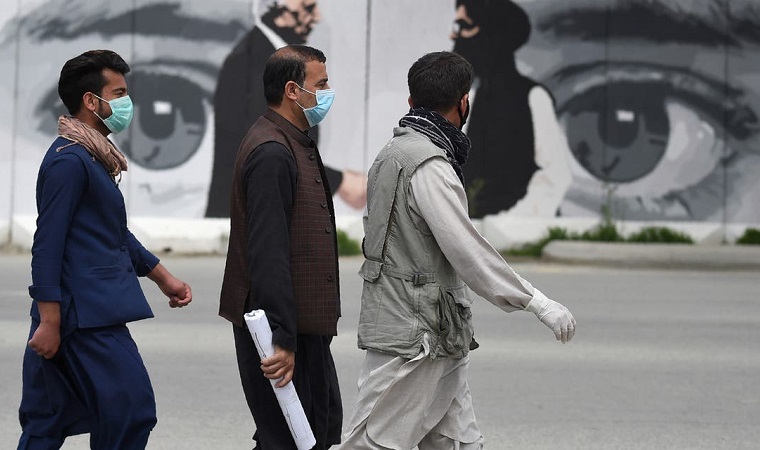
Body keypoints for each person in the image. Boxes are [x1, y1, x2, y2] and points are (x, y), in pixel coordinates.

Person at [340, 51, 576, 449]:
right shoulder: (428, 164)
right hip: (415, 336)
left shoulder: (393, 153)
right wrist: (536, 301)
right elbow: (466, 250)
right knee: (372, 443)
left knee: (457, 442)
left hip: (436, 331)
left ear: (411, 101)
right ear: (464, 102)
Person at [18, 50, 193, 449]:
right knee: (132, 411)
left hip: (81, 310)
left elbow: (109, 232)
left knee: (49, 420)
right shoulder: (69, 162)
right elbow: (47, 244)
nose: (127, 102)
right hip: (83, 317)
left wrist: (161, 277)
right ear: (91, 101)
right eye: (119, 93)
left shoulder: (92, 157)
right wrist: (49, 320)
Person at [218, 44, 342, 449]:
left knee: (307, 434)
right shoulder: (272, 151)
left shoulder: (289, 140)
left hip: (302, 329)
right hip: (283, 333)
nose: (327, 93)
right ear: (292, 90)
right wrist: (282, 340)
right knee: (291, 440)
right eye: (320, 85)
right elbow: (268, 254)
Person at [206, 0, 366, 218]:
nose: (317, 17)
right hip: (253, 217)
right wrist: (338, 182)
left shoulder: (269, 58)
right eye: (307, 7)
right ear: (275, 6)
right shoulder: (251, 62)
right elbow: (265, 147)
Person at [452, 0, 571, 218]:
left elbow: (555, 175)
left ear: (492, 33)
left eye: (464, 26)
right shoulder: (473, 99)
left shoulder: (533, 97)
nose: (455, 36)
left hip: (518, 233)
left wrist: (511, 223)